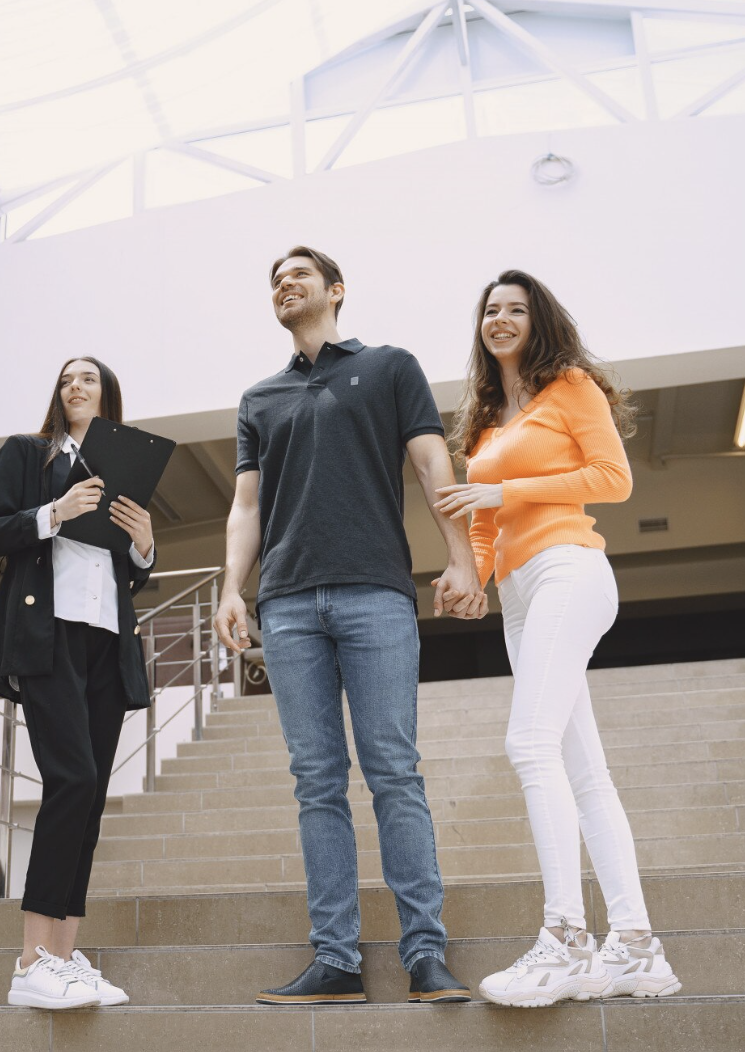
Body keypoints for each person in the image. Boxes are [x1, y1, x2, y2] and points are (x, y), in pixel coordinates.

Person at [214, 246, 478, 1006]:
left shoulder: (390, 366)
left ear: (335, 290)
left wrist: (459, 561)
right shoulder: (258, 398)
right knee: (316, 783)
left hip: (375, 594)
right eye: (273, 278)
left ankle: (425, 953)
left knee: (394, 770)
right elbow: (246, 506)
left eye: (299, 273)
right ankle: (336, 960)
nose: (284, 283)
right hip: (288, 605)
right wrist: (233, 588)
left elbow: (435, 468)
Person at [434, 269, 681, 1007]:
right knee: (584, 770)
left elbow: (613, 479)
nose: (500, 319)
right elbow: (481, 524)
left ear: (537, 321)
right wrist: (468, 577)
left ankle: (568, 939)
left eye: (515, 309)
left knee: (529, 743)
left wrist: (507, 492)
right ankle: (636, 946)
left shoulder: (570, 386)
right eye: (490, 310)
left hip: (570, 569)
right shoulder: (482, 420)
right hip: (516, 592)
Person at [0, 356, 156, 1010]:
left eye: (89, 379)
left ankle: (66, 956)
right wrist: (54, 511)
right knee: (71, 780)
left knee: (90, 798)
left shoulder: (123, 469)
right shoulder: (28, 453)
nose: (75, 386)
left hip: (107, 641)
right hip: (45, 637)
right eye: (67, 378)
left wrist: (143, 545)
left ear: (108, 397)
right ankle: (31, 961)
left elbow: (127, 572)